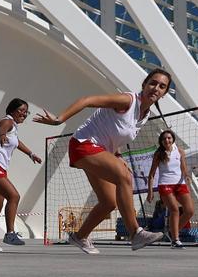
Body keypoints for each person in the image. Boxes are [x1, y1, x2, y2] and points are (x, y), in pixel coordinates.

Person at [34, 68, 171, 254]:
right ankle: (135, 232)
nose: (156, 88)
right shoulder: (127, 100)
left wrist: (118, 156)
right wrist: (59, 119)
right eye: (153, 83)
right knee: (124, 176)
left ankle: (79, 236)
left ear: (164, 93)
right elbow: (87, 100)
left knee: (108, 203)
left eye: (162, 86)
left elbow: (114, 136)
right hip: (83, 144)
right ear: (144, 84)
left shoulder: (145, 115)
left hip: (100, 151)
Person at [0, 98, 42, 252]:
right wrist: (1, 134)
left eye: (26, 112)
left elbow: (17, 142)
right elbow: (3, 126)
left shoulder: (14, 128)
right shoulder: (7, 121)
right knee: (14, 196)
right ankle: (10, 233)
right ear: (12, 110)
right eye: (21, 110)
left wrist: (31, 154)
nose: (24, 114)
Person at [146, 130, 194, 249]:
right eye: (164, 139)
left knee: (190, 211)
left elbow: (183, 169)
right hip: (165, 184)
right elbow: (151, 175)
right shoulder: (159, 154)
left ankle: (173, 231)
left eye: (169, 138)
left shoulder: (180, 151)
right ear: (161, 142)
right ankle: (175, 240)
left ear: (173, 139)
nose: (167, 140)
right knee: (174, 210)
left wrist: (187, 177)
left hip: (179, 184)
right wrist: (150, 191)